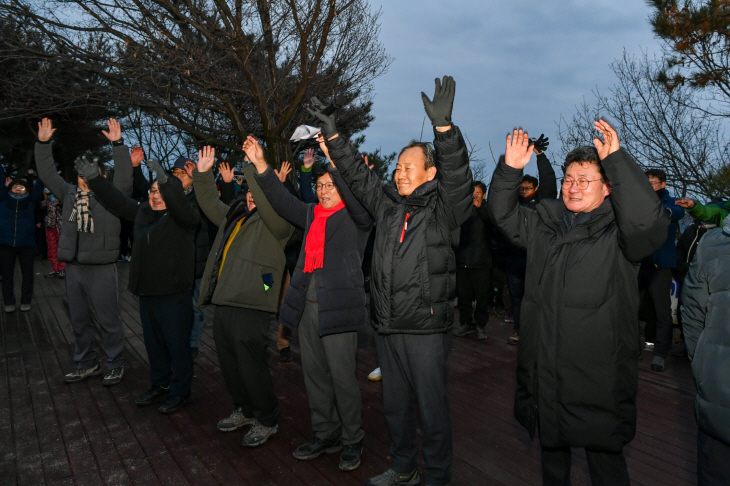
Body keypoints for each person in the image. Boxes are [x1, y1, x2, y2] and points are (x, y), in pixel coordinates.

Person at [311, 75, 473, 486]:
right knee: (395, 407)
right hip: (387, 327)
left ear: (428, 172)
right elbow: (355, 173)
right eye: (398, 167)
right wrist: (333, 133)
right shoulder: (386, 204)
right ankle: (403, 467)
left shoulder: (444, 210)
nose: (400, 173)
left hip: (426, 330)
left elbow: (457, 177)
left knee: (431, 410)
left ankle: (436, 475)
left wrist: (444, 131)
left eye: (408, 167)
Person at [487, 121, 669, 485]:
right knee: (552, 460)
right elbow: (502, 215)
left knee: (605, 464)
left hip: (597, 375)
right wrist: (510, 169)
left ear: (607, 189)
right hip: (547, 369)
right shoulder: (546, 222)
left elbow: (648, 222)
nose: (573, 186)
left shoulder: (620, 231)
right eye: (570, 178)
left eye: (585, 180)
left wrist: (616, 160)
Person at [249, 134, 373, 471]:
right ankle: (326, 434)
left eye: (331, 185)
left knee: (343, 380)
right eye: (319, 185)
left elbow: (356, 196)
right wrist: (261, 165)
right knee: (315, 378)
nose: (324, 190)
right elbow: (279, 198)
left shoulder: (356, 218)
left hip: (339, 312)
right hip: (307, 310)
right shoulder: (309, 214)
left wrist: (336, 163)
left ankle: (352, 440)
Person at [76, 156, 198, 413]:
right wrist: (95, 179)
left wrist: (166, 183)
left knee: (177, 346)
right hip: (147, 292)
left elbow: (179, 205)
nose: (155, 196)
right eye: (153, 191)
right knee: (154, 346)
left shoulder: (184, 219)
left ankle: (181, 391)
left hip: (174, 295)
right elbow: (117, 201)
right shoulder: (143, 213)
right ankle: (160, 385)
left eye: (161, 191)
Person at [193, 145, 293, 448]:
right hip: (225, 299)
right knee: (230, 362)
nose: (251, 194)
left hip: (254, 302)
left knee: (251, 364)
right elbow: (210, 204)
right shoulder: (236, 215)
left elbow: (267, 202)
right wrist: (203, 174)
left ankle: (266, 418)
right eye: (248, 190)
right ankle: (245, 410)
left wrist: (253, 167)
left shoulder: (280, 220)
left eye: (257, 190)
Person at [35, 118, 132, 386]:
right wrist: (43, 144)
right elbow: (46, 172)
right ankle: (86, 363)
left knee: (108, 321)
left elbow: (125, 177)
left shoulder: (111, 196)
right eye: (80, 174)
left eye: (89, 174)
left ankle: (114, 364)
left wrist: (118, 145)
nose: (83, 179)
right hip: (74, 267)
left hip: (101, 268)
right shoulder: (67, 194)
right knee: (78, 321)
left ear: (100, 176)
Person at [680, 213, 730, 486]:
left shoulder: (713, 242)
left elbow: (693, 314)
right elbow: (693, 312)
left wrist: (702, 364)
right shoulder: (713, 242)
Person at [503, 134, 557, 345]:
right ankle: (519, 330)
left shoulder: (543, 202)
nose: (523, 190)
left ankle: (541, 332)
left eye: (527, 188)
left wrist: (539, 155)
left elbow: (549, 181)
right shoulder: (513, 204)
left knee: (539, 298)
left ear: (535, 189)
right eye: (521, 188)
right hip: (515, 259)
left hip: (537, 258)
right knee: (518, 298)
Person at [639, 169, 685, 371]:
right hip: (639, 263)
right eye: (646, 182)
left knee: (662, 311)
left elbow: (676, 213)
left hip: (661, 266)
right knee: (630, 308)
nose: (649, 185)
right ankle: (632, 348)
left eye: (653, 182)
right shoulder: (638, 200)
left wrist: (659, 210)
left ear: (663, 184)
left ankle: (660, 353)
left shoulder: (672, 203)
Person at [0, 170, 44, 312]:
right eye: (15, 186)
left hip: (26, 245)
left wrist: (42, 172)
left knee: (28, 275)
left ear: (26, 189)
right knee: (6, 275)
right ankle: (9, 303)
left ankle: (26, 301)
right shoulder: (3, 199)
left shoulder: (31, 201)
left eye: (21, 186)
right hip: (6, 244)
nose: (18, 188)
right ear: (9, 188)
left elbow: (38, 188)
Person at [453, 181, 492, 340]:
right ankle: (466, 324)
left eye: (478, 193)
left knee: (482, 298)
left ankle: (481, 326)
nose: (474, 196)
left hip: (481, 262)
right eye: (472, 193)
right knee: (464, 297)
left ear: (483, 194)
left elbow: (492, 225)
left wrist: (480, 207)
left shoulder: (489, 209)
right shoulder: (464, 210)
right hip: (463, 260)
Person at [42, 191, 66, 278]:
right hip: (50, 225)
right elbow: (41, 205)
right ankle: (55, 269)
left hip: (62, 226)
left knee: (62, 247)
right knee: (51, 247)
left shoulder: (64, 196)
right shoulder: (48, 197)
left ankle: (62, 269)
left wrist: (60, 203)